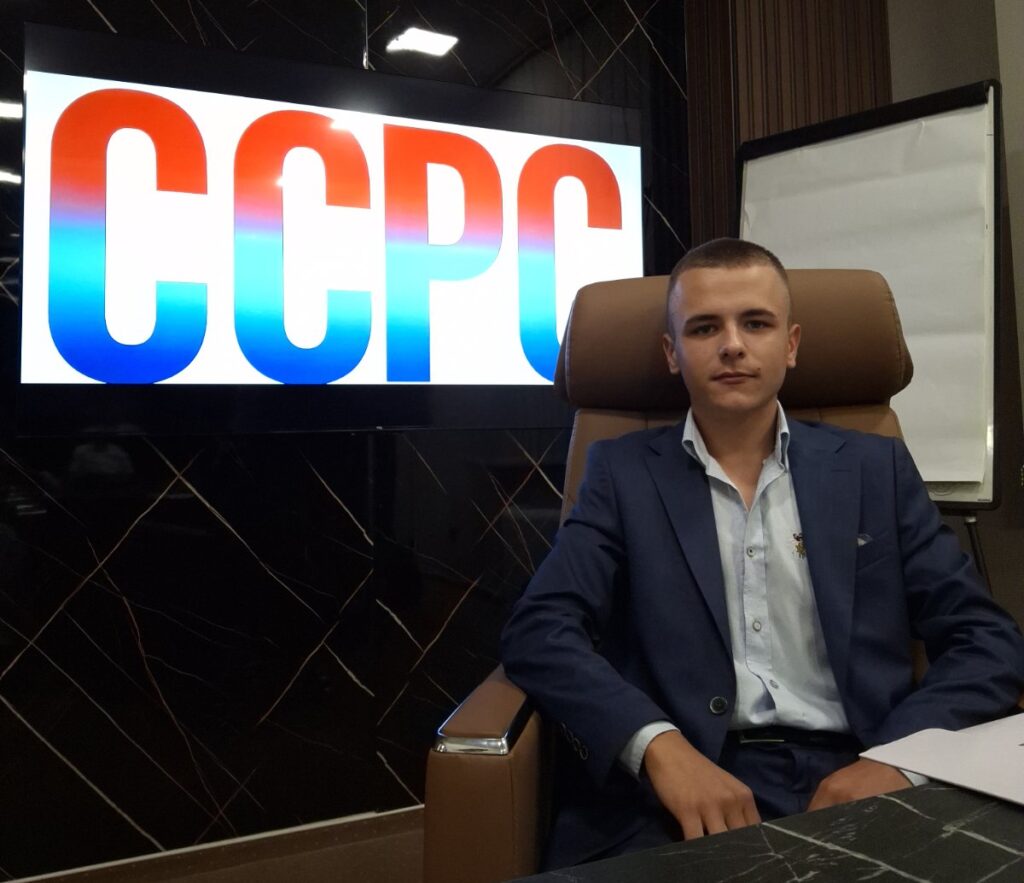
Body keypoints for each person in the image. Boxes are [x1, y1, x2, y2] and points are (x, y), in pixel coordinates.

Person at [500, 238, 1024, 870]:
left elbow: (984, 639)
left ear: (791, 344)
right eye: (704, 327)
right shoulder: (622, 473)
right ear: (671, 352)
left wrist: (896, 759)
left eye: (756, 323)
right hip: (675, 789)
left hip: (858, 768)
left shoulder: (874, 469)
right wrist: (659, 748)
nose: (732, 345)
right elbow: (541, 629)